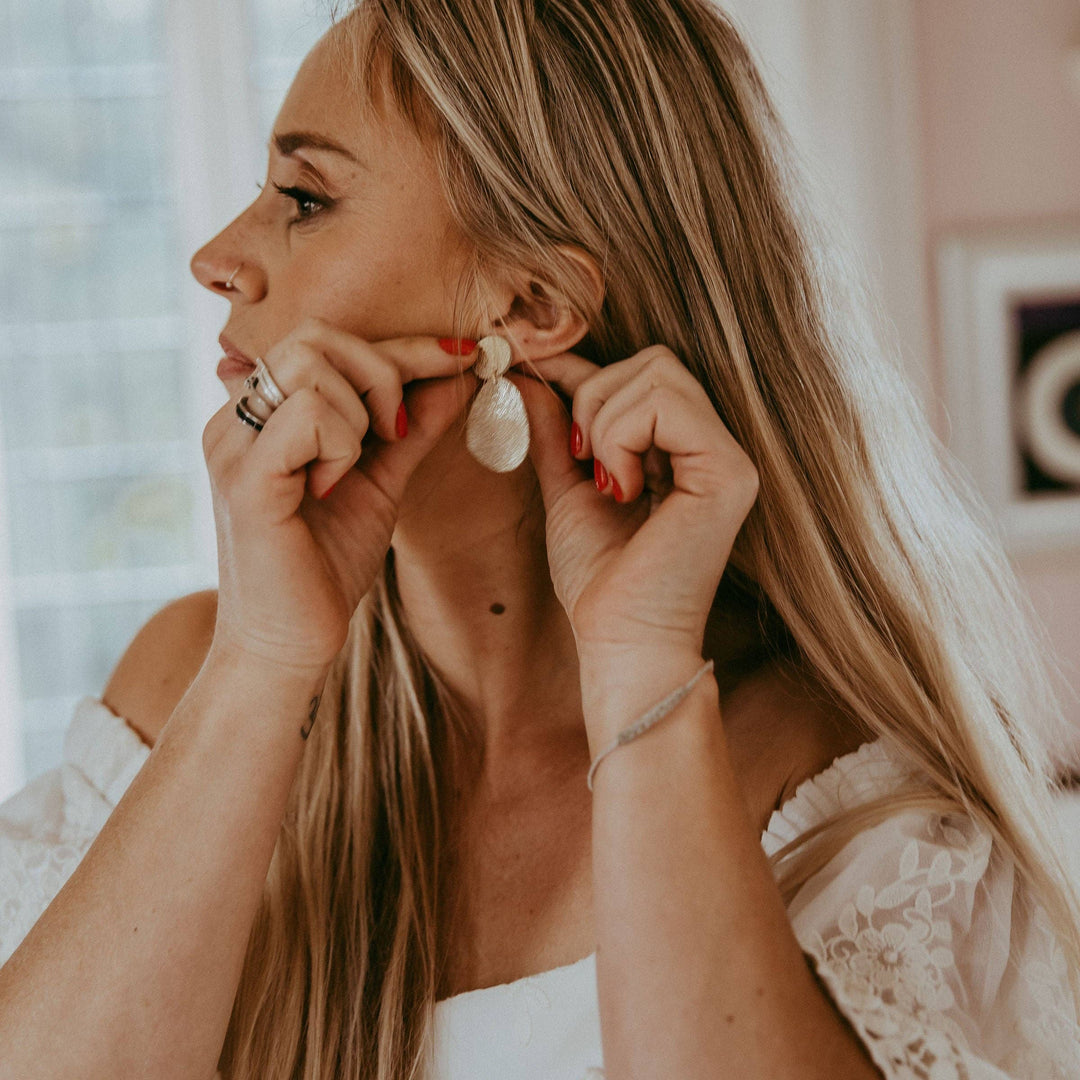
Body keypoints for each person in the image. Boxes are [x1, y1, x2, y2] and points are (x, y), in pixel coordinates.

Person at [1, 1, 1080, 1077]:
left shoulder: (841, 798)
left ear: (527, 304)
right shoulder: (183, 689)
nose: (215, 257)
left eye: (304, 198)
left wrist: (640, 672)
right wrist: (261, 662)